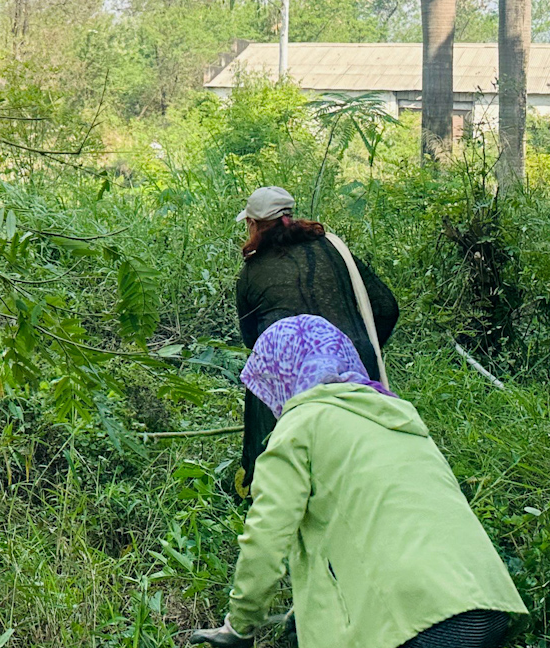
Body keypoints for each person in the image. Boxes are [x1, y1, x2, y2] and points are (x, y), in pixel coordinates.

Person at [191, 316, 528, 648]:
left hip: (417, 616)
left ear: (280, 375)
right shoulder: (398, 416)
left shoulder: (301, 426)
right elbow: (384, 531)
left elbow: (267, 537)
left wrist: (240, 626)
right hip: (488, 602)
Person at [234, 185, 398, 486]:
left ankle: (260, 482)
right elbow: (386, 307)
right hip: (352, 368)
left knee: (281, 474)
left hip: (292, 381)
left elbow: (254, 343)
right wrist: (355, 351)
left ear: (253, 224)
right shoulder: (334, 250)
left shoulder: (251, 272)